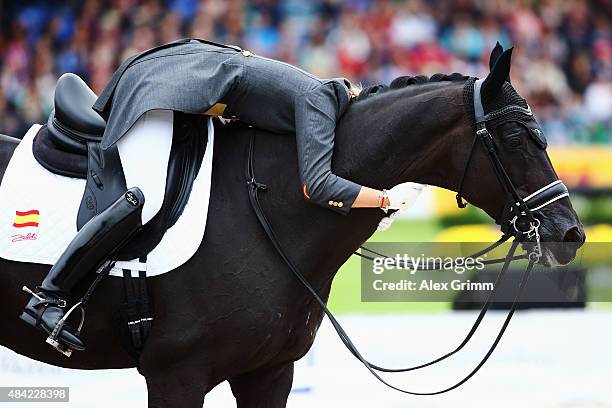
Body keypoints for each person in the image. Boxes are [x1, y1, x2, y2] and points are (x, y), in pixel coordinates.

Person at [21, 39, 424, 352]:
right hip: (170, 87)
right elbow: (316, 185)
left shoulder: (312, 95)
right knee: (142, 199)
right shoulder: (320, 101)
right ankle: (48, 295)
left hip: (186, 77)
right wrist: (385, 199)